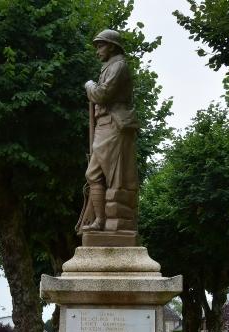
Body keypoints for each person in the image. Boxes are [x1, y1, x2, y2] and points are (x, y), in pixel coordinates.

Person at [77, 29, 139, 235]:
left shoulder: (119, 66)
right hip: (104, 125)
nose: (97, 51)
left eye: (100, 45)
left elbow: (102, 95)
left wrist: (89, 86)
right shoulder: (110, 67)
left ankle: (113, 223)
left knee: (115, 179)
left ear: (112, 46)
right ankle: (100, 221)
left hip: (114, 125)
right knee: (93, 174)